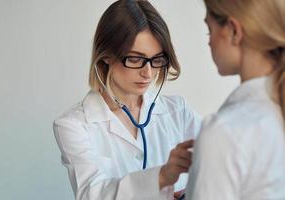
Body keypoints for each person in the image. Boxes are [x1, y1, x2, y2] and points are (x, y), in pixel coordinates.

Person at [53, 0, 201, 199]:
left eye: (156, 60)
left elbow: (222, 166)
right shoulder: (74, 126)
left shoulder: (178, 112)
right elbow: (92, 194)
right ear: (106, 55)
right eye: (135, 59)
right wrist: (163, 177)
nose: (148, 73)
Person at [185, 0, 285, 199]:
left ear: (233, 31)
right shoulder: (273, 112)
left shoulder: (225, 131)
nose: (209, 41)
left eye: (209, 29)